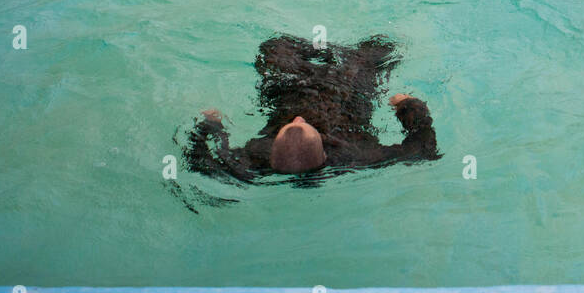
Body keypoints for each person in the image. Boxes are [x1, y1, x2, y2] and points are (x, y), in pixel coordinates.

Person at [184, 34, 439, 179]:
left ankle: (327, 50)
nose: (297, 119)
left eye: (290, 126)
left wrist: (210, 125)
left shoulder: (252, 161)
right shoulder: (357, 156)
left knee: (273, 47)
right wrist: (408, 105)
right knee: (382, 47)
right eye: (302, 125)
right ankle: (343, 54)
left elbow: (202, 162)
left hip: (293, 89)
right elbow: (423, 148)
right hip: (348, 94)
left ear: (271, 151)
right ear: (325, 149)